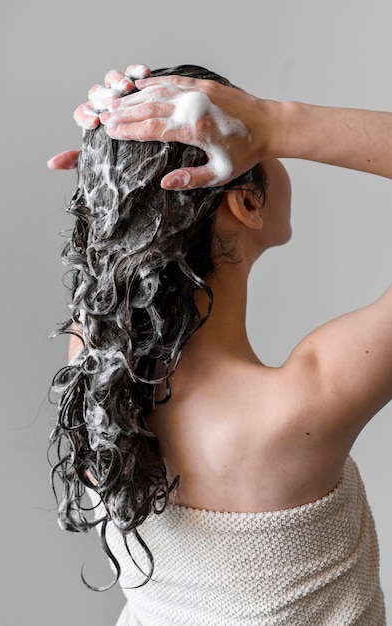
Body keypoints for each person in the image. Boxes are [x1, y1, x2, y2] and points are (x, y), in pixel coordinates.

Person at [49, 64, 392, 625]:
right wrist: (277, 122)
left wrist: (111, 172)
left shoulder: (96, 376)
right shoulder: (304, 405)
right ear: (248, 204)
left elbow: (110, 270)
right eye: (257, 145)